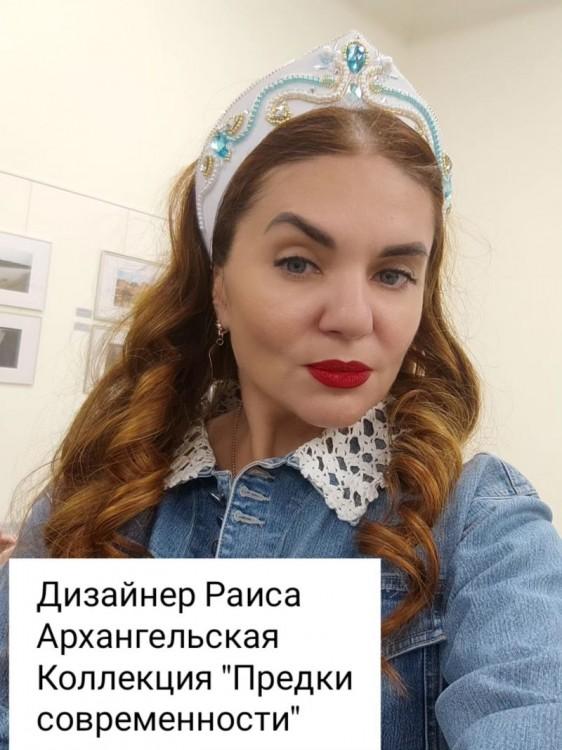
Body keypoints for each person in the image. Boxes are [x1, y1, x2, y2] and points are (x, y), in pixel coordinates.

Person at [1, 29, 561, 749]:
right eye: (299, 262)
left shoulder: (479, 525)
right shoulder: (98, 498)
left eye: (393, 274)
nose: (353, 317)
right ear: (220, 286)